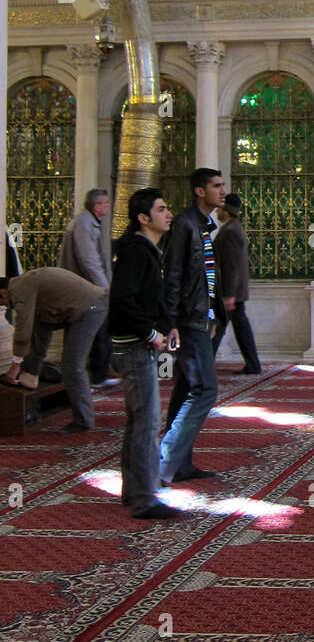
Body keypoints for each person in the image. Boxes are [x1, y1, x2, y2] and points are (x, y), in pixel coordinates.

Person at [109, 189, 183, 520]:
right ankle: (144, 498)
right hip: (133, 347)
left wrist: (167, 326)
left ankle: (134, 490)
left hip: (137, 344)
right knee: (147, 422)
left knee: (139, 420)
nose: (168, 214)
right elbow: (123, 300)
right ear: (143, 218)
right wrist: (151, 333)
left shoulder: (146, 250)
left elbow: (149, 299)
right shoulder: (136, 252)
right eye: (162, 209)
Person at [159, 167, 227, 485]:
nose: (222, 191)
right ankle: (163, 464)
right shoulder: (185, 225)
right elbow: (173, 276)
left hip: (199, 317)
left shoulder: (202, 225)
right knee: (205, 389)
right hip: (187, 321)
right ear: (199, 191)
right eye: (216, 186)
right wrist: (171, 322)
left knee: (187, 388)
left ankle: (180, 464)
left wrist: (211, 314)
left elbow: (205, 279)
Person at [0, 268, 107, 430]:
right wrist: (29, 370)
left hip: (91, 308)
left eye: (2, 303)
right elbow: (40, 332)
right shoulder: (24, 285)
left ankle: (84, 421)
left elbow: (23, 328)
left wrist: (15, 366)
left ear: (3, 293)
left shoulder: (20, 291)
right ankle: (30, 376)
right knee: (38, 329)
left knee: (72, 365)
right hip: (86, 305)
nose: (5, 307)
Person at [57, 188, 118, 389]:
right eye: (106, 203)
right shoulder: (83, 224)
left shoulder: (89, 222)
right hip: (84, 290)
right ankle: (88, 377)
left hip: (87, 289)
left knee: (98, 330)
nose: (108, 207)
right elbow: (88, 259)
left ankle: (98, 373)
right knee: (88, 331)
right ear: (97, 205)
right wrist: (104, 288)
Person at [211, 193, 262, 375]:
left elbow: (231, 265)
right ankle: (252, 364)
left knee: (219, 325)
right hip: (232, 291)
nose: (217, 210)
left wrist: (229, 294)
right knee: (229, 326)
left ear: (226, 211)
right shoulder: (232, 228)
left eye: (220, 207)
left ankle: (205, 364)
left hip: (231, 291)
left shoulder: (231, 231)